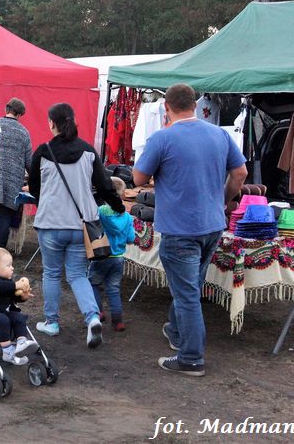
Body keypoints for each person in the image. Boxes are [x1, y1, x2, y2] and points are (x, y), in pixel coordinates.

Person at [133, 83, 247, 377]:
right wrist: (223, 200)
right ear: (196, 105)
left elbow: (137, 178)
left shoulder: (162, 138)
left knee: (187, 294)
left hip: (180, 229)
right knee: (190, 286)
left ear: (166, 107)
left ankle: (191, 358)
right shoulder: (220, 134)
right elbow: (240, 173)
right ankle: (175, 331)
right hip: (212, 225)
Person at [28, 102, 125, 349]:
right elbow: (105, 186)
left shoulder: (42, 152)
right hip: (82, 225)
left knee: (51, 273)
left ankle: (52, 322)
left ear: (51, 123)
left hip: (51, 223)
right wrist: (119, 206)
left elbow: (35, 187)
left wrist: (45, 202)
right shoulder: (89, 151)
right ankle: (92, 317)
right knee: (78, 275)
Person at [0, 247, 40, 365]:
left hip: (3, 311)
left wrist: (23, 297)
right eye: (9, 265)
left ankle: (21, 342)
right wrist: (15, 285)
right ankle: (7, 351)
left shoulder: (7, 281)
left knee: (19, 317)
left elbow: (12, 297)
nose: (12, 268)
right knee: (3, 320)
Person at [88, 177, 134, 332]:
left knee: (93, 283)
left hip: (102, 254)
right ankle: (118, 321)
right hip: (118, 258)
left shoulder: (100, 211)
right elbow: (131, 238)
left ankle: (98, 312)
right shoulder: (127, 216)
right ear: (123, 194)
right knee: (114, 289)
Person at [0, 98, 32, 248]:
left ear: (6, 109)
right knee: (4, 218)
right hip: (13, 183)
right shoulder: (24, 132)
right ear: (20, 114)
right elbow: (29, 162)